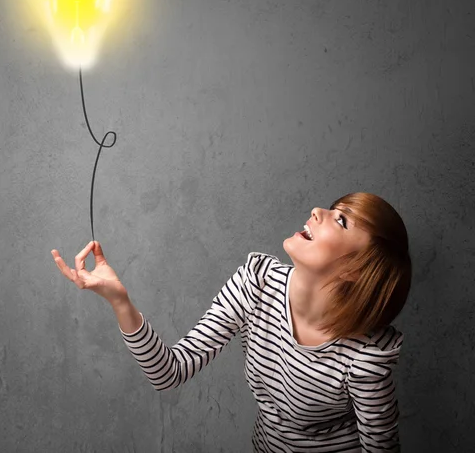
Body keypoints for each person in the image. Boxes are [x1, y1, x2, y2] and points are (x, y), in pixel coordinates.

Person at [52, 191, 412, 452]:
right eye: (333, 208)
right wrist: (120, 300)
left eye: (341, 220)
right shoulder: (256, 282)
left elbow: (380, 448)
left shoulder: (366, 356)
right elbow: (169, 372)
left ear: (355, 269)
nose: (317, 210)